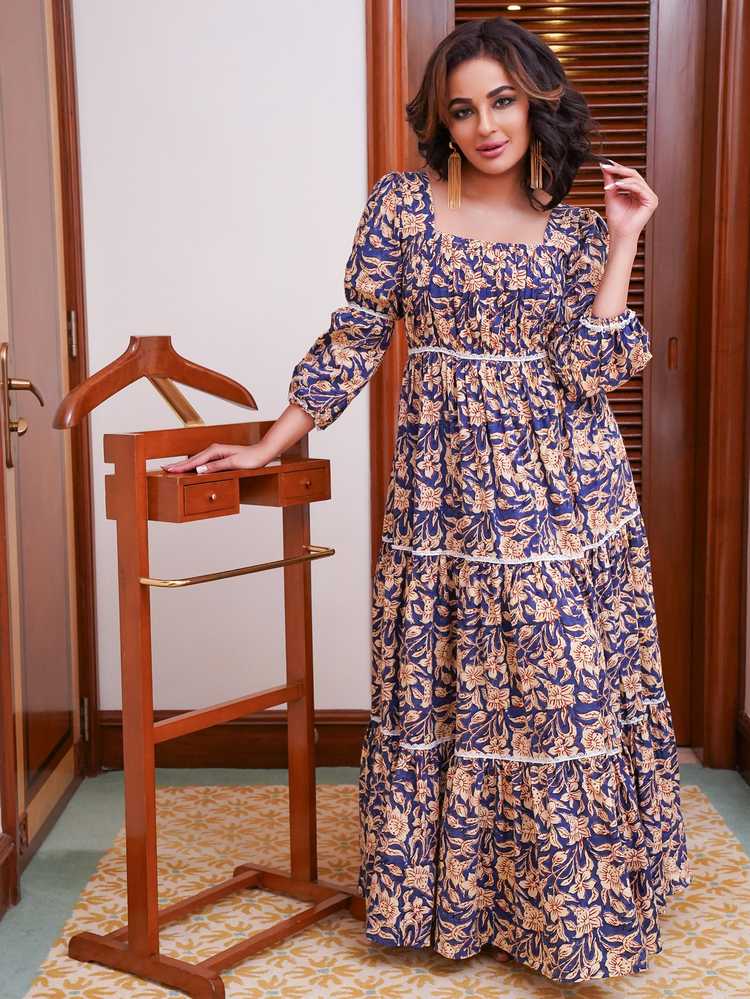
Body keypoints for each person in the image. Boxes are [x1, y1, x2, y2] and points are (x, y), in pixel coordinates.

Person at [162, 15, 691, 985]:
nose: (486, 125)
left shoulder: (579, 231)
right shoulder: (402, 208)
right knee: (456, 684)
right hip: (444, 493)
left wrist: (623, 239)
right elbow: (356, 335)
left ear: (535, 103)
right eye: (463, 108)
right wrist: (271, 439)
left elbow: (591, 368)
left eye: (502, 101)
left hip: (566, 492)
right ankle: (464, 903)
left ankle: (573, 920)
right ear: (441, 121)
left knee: (559, 689)